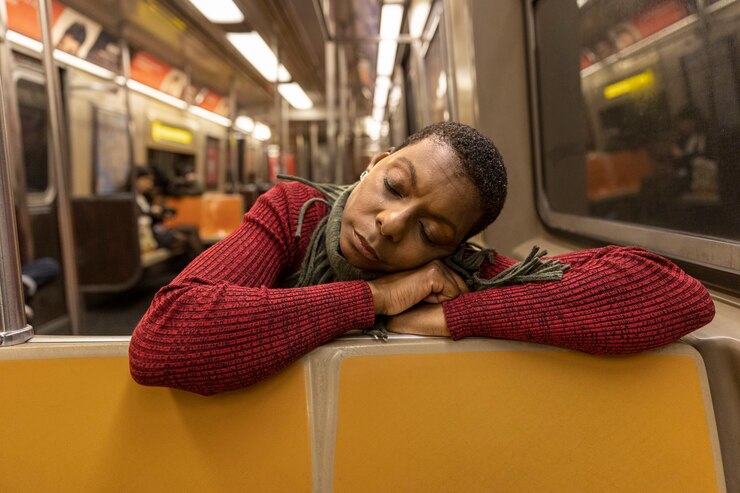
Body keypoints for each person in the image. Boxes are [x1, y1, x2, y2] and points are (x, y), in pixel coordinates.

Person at [129, 122, 715, 396]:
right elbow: (167, 338)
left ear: (454, 248)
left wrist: (459, 317)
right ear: (376, 161)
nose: (389, 226)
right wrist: (374, 300)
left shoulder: (453, 277)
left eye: (428, 230)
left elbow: (673, 293)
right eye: (394, 186)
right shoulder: (294, 214)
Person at [133, 166, 203, 260]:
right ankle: (200, 265)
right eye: (147, 180)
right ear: (136, 179)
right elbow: (140, 219)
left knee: (192, 228)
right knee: (184, 239)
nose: (150, 184)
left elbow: (150, 217)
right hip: (149, 234)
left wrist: (161, 214)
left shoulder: (144, 196)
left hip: (156, 229)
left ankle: (201, 264)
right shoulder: (131, 198)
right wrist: (151, 213)